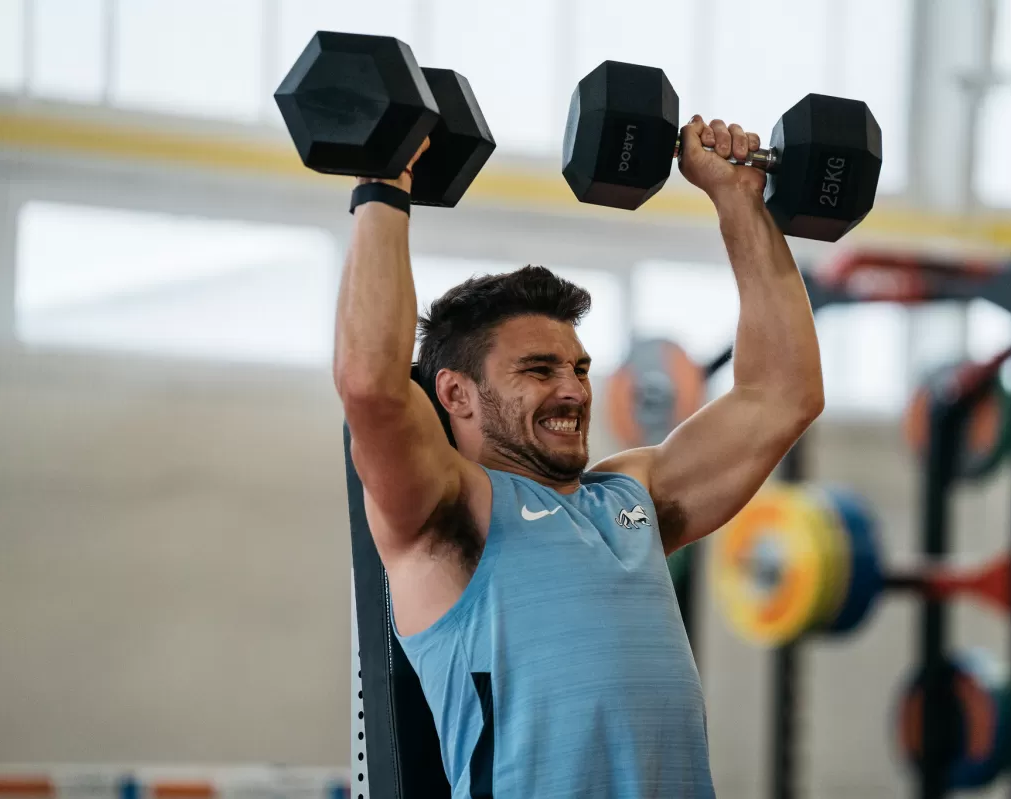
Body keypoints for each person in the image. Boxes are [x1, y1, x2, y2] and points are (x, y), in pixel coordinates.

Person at [334, 115, 825, 798]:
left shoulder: (632, 500)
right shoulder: (451, 516)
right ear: (457, 393)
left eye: (580, 367)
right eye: (538, 369)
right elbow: (372, 387)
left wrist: (739, 201)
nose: (573, 390)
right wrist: (384, 184)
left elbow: (783, 395)